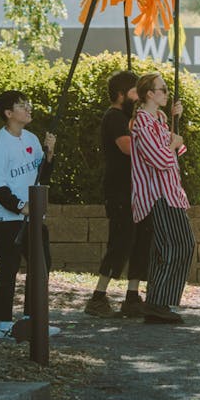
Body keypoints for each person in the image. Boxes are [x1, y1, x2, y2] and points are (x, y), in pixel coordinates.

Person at [0, 89, 57, 339]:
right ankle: (3, 323)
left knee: (41, 266)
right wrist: (20, 206)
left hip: (33, 216)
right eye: (22, 106)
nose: (28, 109)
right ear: (8, 113)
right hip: (8, 219)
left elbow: (41, 175)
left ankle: (33, 318)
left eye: (28, 104)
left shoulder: (31, 138)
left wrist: (49, 155)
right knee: (9, 268)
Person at [86, 70, 149, 318]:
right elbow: (127, 147)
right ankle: (98, 297)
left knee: (140, 241)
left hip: (137, 190)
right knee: (120, 242)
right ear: (122, 94)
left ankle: (132, 296)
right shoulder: (113, 118)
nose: (139, 96)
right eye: (135, 91)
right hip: (120, 191)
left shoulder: (129, 117)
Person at [130, 72, 192, 325]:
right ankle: (157, 303)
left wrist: (175, 129)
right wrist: (173, 144)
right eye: (163, 89)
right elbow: (160, 159)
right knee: (180, 245)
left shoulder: (158, 119)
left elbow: (175, 150)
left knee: (167, 247)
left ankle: (158, 303)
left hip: (169, 192)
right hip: (158, 194)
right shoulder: (142, 123)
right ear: (150, 94)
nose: (167, 93)